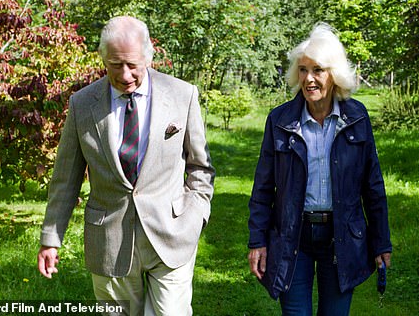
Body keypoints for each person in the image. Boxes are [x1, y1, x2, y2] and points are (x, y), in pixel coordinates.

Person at [37, 16, 215, 316]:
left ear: (148, 55)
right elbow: (65, 178)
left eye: (133, 64)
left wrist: (196, 214)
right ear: (103, 59)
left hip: (173, 234)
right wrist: (50, 239)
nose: (125, 74)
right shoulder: (82, 104)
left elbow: (201, 166)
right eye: (115, 64)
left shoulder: (182, 95)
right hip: (110, 240)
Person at [247, 23, 392, 315]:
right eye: (303, 70)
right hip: (293, 235)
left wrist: (381, 242)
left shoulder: (356, 117)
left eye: (318, 70)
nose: (309, 79)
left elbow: (372, 185)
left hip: (342, 236)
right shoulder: (280, 120)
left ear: (334, 74)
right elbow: (263, 187)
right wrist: (257, 241)